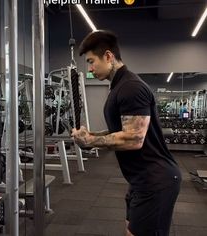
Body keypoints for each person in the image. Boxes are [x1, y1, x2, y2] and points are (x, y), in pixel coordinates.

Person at [71, 30, 181, 236]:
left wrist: (90, 142)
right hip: (140, 179)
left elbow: (134, 139)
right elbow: (120, 131)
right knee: (131, 230)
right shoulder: (119, 87)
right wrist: (91, 136)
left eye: (91, 61)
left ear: (109, 56)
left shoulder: (131, 87)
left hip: (155, 179)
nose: (90, 68)